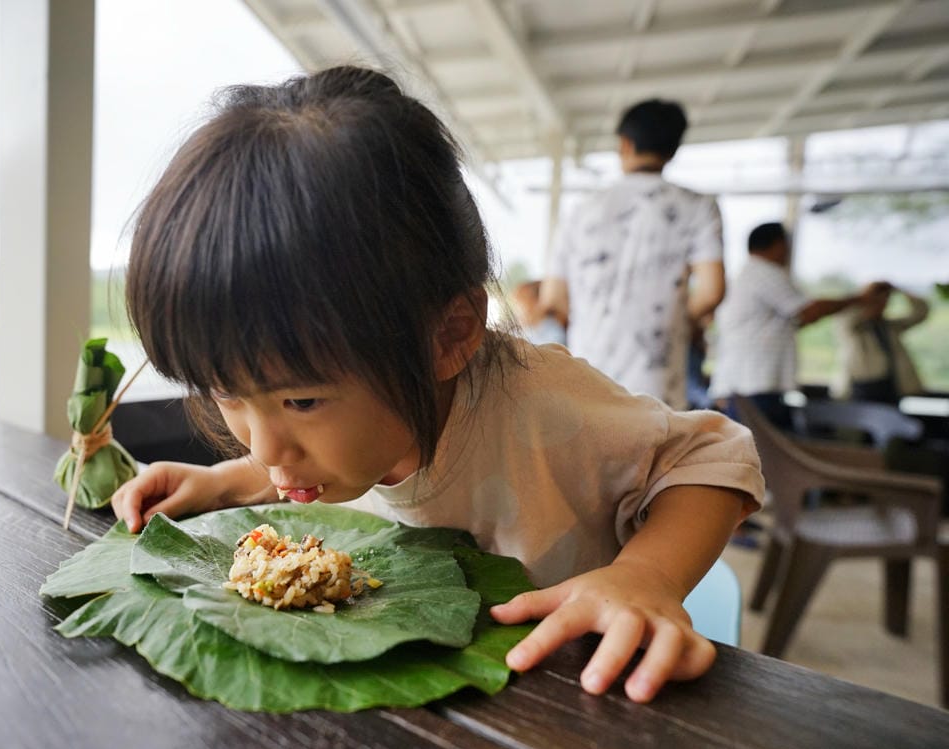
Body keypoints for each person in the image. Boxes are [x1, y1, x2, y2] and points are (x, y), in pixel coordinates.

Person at [112, 67, 764, 704]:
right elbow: (302, 460)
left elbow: (711, 454)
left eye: (299, 401)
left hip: (570, 705)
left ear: (447, 337)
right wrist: (221, 483)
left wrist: (646, 576)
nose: (267, 446)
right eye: (226, 395)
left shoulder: (543, 408)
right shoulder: (346, 427)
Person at [538, 99, 725, 410]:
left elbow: (553, 296)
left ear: (625, 144)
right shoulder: (698, 207)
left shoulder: (583, 210)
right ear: (673, 149)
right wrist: (675, 318)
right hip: (658, 385)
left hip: (589, 379)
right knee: (657, 454)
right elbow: (712, 291)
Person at [709, 222, 880, 430]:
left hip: (748, 385)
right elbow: (808, 311)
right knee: (757, 454)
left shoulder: (747, 275)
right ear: (780, 245)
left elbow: (797, 320)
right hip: (753, 386)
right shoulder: (764, 273)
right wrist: (859, 299)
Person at [832, 281, 929, 404]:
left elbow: (920, 313)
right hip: (863, 386)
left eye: (885, 300)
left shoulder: (889, 326)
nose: (882, 305)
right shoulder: (854, 328)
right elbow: (844, 316)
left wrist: (903, 291)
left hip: (891, 385)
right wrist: (864, 298)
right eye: (876, 301)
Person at [508, 279, 566, 345]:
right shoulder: (522, 332)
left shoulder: (554, 332)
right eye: (516, 306)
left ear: (538, 303)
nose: (517, 312)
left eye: (521, 305)